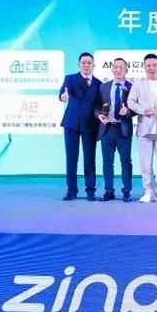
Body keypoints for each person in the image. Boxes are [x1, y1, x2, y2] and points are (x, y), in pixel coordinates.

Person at [127, 53, 157, 204]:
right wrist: (142, 110)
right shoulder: (138, 84)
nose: (151, 68)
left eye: (154, 65)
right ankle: (148, 191)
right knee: (145, 163)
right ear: (144, 67)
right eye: (148, 65)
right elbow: (130, 102)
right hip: (145, 128)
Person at [59, 52, 101, 201]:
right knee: (71, 158)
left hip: (90, 125)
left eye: (89, 63)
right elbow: (62, 95)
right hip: (71, 124)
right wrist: (63, 97)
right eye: (83, 63)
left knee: (90, 159)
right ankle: (71, 190)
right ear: (79, 65)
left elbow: (99, 105)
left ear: (93, 65)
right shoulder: (70, 79)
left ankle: (90, 191)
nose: (86, 65)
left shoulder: (98, 83)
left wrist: (100, 114)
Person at [95, 57, 134, 202]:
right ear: (112, 69)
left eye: (121, 67)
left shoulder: (132, 87)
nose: (118, 70)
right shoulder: (104, 87)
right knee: (107, 162)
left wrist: (128, 111)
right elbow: (96, 106)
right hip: (107, 129)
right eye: (115, 67)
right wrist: (99, 115)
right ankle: (108, 191)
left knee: (126, 162)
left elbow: (137, 108)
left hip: (123, 129)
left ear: (126, 70)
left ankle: (127, 191)